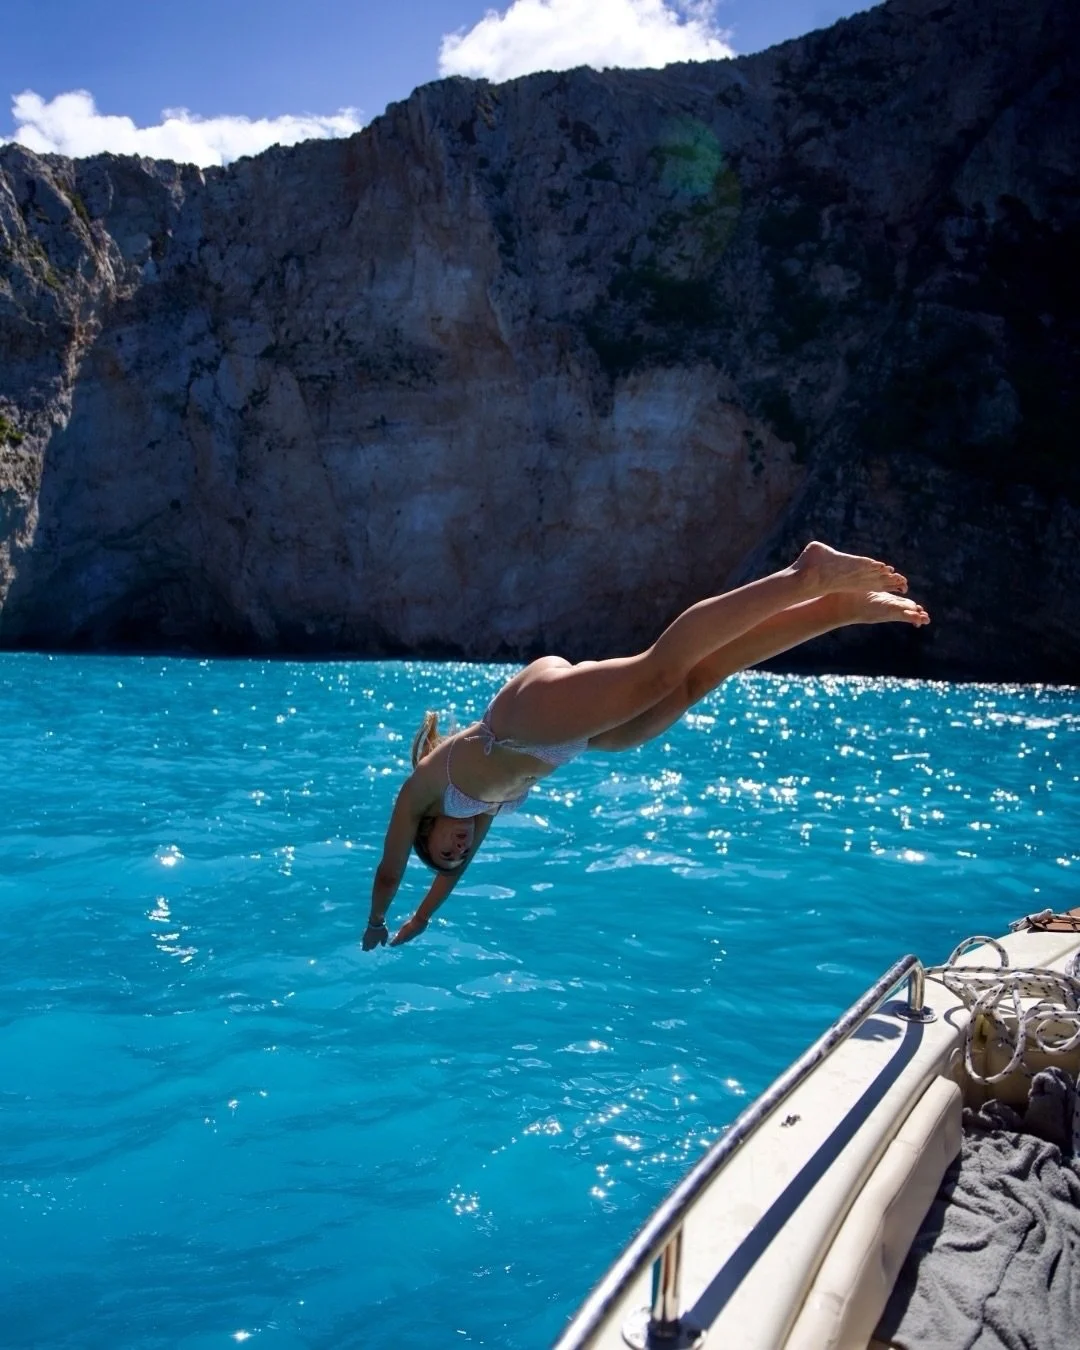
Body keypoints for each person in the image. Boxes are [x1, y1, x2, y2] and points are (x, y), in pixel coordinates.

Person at [362, 541, 929, 950]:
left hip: (525, 716)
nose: (457, 850)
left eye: (444, 848)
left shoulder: (421, 793)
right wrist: (424, 920)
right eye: (457, 854)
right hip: (569, 739)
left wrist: (379, 920)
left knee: (658, 671)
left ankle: (803, 576)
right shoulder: (476, 815)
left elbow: (390, 870)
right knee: (695, 681)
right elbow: (454, 874)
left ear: (426, 828)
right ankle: (835, 611)